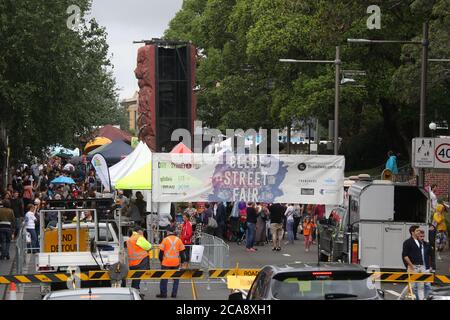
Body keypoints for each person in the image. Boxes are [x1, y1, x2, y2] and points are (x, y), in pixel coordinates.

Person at [401, 226, 432, 300]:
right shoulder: (407, 242)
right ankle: (401, 298)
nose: (419, 232)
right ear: (412, 232)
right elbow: (405, 256)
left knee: (421, 286)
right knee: (411, 285)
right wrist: (411, 266)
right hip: (413, 266)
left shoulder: (419, 242)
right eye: (417, 231)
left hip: (421, 266)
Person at [157, 226, 186, 298]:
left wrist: (161, 261)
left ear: (168, 232)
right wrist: (182, 263)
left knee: (164, 278)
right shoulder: (179, 240)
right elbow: (183, 254)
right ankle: (174, 294)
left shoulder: (165, 240)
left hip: (166, 262)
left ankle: (163, 294)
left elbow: (160, 254)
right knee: (176, 279)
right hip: (176, 262)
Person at [126, 226, 151, 294]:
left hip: (132, 262)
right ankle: (136, 291)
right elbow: (149, 246)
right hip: (140, 261)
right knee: (137, 278)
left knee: (135, 278)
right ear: (139, 231)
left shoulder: (130, 239)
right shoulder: (139, 238)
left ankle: (135, 291)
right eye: (142, 231)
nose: (142, 232)